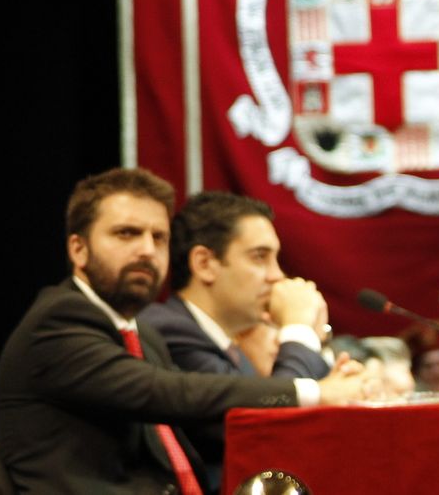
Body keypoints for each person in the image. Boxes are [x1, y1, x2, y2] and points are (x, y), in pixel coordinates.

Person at [0, 168, 365, 495]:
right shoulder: (60, 320)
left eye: (158, 237)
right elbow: (169, 392)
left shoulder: (141, 334)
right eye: (127, 234)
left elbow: (219, 426)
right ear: (79, 249)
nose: (146, 250)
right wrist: (315, 390)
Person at [137, 192, 335, 487]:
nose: (277, 275)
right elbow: (264, 427)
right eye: (260, 257)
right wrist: (298, 328)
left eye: (275, 259)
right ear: (205, 263)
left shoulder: (226, 345)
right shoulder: (166, 330)